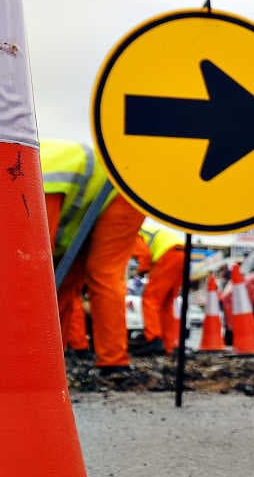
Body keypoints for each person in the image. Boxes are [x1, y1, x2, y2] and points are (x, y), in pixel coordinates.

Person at [40, 139, 143, 369]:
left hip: (119, 188)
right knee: (63, 282)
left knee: (103, 273)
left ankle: (113, 361)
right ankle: (50, 358)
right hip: (103, 187)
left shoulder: (23, 182)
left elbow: (30, 266)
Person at [138, 225, 186, 353]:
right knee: (166, 303)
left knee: (150, 299)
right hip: (182, 254)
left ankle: (153, 339)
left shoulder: (136, 232)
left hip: (168, 254)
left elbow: (143, 253)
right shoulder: (149, 230)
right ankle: (168, 344)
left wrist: (142, 269)